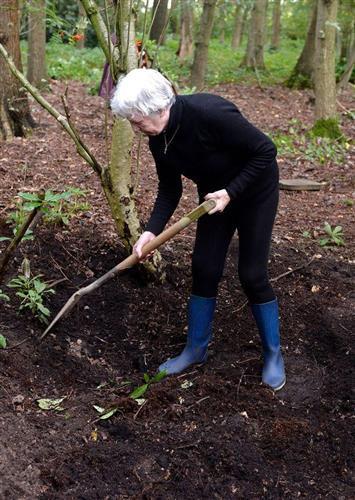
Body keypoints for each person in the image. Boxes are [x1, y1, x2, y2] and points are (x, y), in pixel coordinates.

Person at [111, 68, 286, 391]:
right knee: (204, 267)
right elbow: (169, 190)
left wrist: (230, 192)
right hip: (211, 198)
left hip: (253, 191)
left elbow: (266, 151)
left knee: (252, 274)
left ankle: (273, 353)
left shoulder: (210, 112)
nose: (136, 129)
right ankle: (195, 349)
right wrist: (151, 231)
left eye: (137, 121)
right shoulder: (158, 139)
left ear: (159, 108)